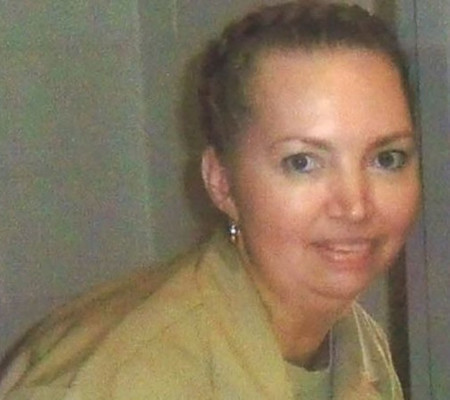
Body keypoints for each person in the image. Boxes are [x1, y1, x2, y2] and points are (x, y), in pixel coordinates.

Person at [0, 1, 420, 399]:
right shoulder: (119, 380)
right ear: (222, 183)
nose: (355, 206)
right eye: (302, 162)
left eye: (386, 159)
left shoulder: (354, 345)